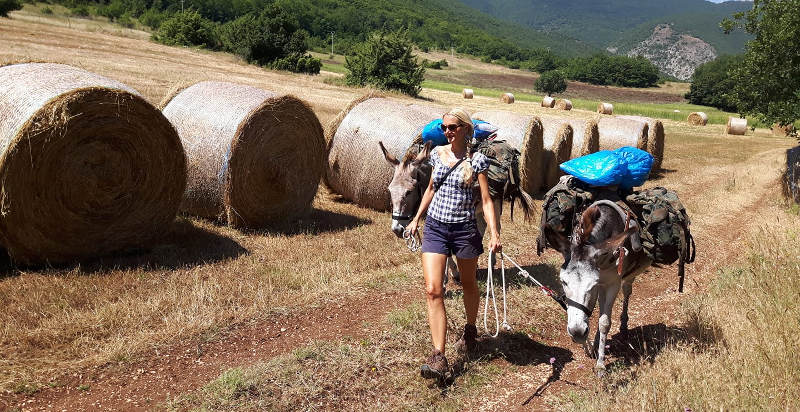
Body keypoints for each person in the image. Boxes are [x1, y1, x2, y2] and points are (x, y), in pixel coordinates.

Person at [406, 108, 501, 380]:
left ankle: (470, 329)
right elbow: (432, 189)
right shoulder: (437, 154)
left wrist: (494, 233)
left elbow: (485, 201)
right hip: (436, 227)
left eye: (453, 127)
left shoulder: (478, 160)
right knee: (433, 290)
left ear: (466, 129)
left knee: (468, 283)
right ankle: (439, 355)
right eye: (445, 127)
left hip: (464, 230)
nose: (448, 131)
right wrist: (416, 219)